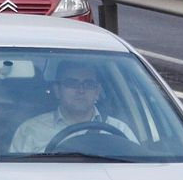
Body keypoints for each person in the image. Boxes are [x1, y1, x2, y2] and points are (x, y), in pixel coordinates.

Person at [8, 61, 137, 153]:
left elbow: (138, 171)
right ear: (57, 90)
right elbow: (14, 178)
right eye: (72, 83)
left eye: (88, 84)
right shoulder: (30, 131)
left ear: (97, 91)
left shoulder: (119, 131)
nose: (81, 90)